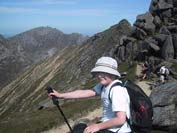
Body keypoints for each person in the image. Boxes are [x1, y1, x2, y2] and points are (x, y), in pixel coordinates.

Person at [49, 56, 131, 133]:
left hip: (117, 130)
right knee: (80, 128)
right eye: (98, 72)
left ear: (113, 74)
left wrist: (98, 126)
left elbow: (120, 119)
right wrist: (60, 95)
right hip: (109, 127)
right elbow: (85, 92)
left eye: (104, 73)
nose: (99, 76)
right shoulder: (104, 86)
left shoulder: (116, 90)